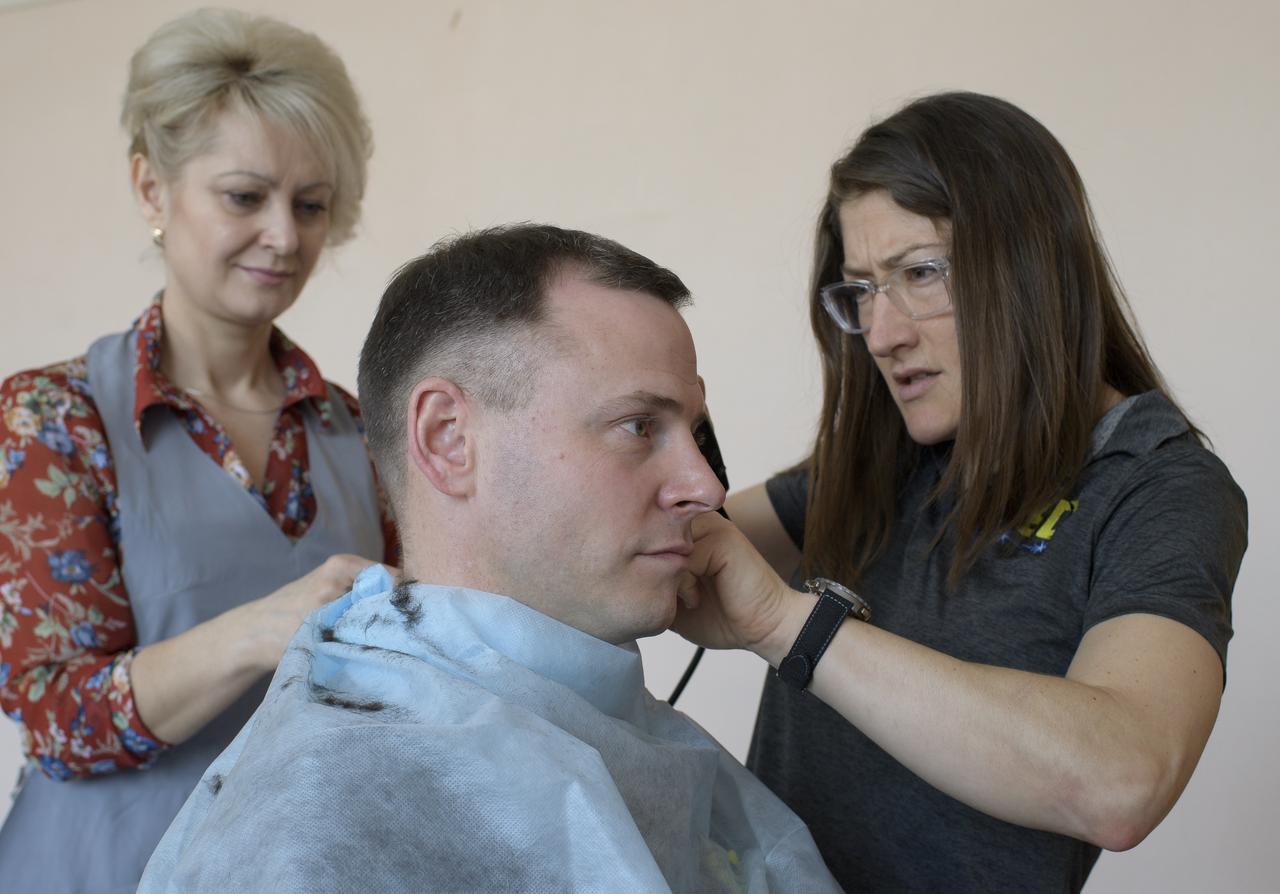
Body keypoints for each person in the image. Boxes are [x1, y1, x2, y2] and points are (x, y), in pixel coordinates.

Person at [137, 224, 839, 893]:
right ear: (448, 440)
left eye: (694, 431)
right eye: (638, 426)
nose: (707, 487)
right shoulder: (326, 805)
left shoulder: (618, 730)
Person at [673, 91, 1248, 892]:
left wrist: (788, 626)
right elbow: (689, 537)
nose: (883, 333)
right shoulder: (888, 460)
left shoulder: (1157, 485)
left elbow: (1122, 779)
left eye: (918, 273)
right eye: (862, 290)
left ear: (1030, 263)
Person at [0, 9, 395, 891]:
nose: (285, 237)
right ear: (151, 189)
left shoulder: (359, 431)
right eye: (244, 197)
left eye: (312, 204)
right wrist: (262, 631)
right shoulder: (55, 421)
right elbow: (63, 719)